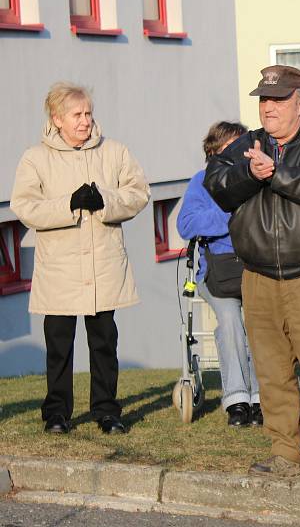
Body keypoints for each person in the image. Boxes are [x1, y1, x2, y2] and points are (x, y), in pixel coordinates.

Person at [204, 65, 300, 482]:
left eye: (277, 100)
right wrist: (247, 174)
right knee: (272, 372)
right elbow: (216, 186)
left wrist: (277, 174)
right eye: (263, 100)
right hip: (257, 277)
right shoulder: (247, 146)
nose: (268, 108)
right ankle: (285, 452)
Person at [11, 82, 150, 435]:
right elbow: (24, 206)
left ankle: (107, 411)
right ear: (57, 119)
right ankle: (57, 413)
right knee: (59, 345)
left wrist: (105, 201)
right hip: (59, 269)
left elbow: (139, 193)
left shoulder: (114, 151)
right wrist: (68, 204)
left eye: (88, 113)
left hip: (103, 264)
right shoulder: (35, 157)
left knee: (104, 342)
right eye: (77, 114)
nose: (85, 121)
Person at [177, 121, 261, 428]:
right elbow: (187, 224)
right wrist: (231, 211)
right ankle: (238, 399)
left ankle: (261, 397)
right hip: (218, 272)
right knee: (229, 321)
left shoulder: (257, 178)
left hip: (256, 268)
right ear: (216, 151)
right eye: (232, 147)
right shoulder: (201, 182)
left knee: (259, 323)